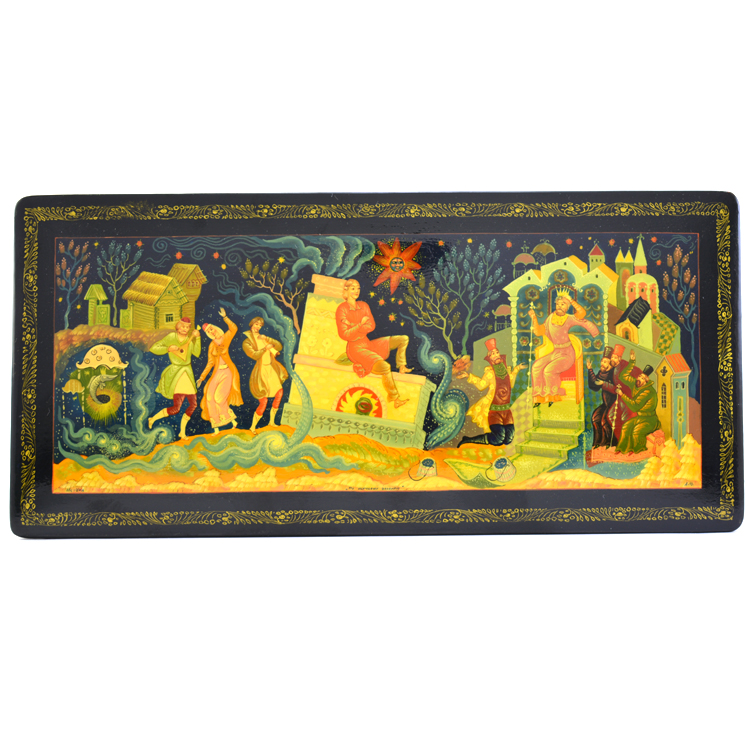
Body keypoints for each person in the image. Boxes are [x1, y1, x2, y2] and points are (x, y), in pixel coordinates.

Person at [335, 279, 411, 409]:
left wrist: (352, 325)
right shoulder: (342, 309)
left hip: (367, 343)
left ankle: (402, 366)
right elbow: (345, 334)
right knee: (385, 367)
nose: (356, 291)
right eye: (353, 288)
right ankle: (395, 398)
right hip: (355, 349)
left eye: (358, 288)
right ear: (346, 290)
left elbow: (371, 326)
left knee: (403, 339)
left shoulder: (363, 305)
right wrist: (360, 324)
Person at [529, 291, 599, 406]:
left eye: (563, 304)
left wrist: (571, 300)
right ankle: (539, 397)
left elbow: (582, 313)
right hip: (555, 352)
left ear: (567, 307)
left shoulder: (569, 318)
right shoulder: (550, 318)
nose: (560, 306)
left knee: (548, 370)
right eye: (558, 304)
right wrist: (534, 318)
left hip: (567, 354)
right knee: (536, 366)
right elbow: (539, 332)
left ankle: (552, 396)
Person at [457, 339, 527, 447]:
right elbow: (481, 385)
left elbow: (511, 384)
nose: (496, 354)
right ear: (490, 357)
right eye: (493, 353)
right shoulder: (489, 373)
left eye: (497, 352)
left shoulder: (506, 370)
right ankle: (468, 439)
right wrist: (468, 376)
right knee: (498, 439)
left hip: (506, 410)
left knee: (508, 440)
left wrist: (517, 368)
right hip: (494, 411)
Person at [148, 317, 201, 439]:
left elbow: (197, 353)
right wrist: (168, 348)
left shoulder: (189, 339)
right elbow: (153, 348)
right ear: (178, 327)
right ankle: (153, 419)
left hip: (187, 373)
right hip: (176, 374)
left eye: (187, 327)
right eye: (183, 327)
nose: (185, 329)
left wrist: (197, 338)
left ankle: (182, 432)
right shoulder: (171, 337)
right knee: (176, 408)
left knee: (193, 405)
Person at [196, 307, 243, 433]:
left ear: (215, 328)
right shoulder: (211, 345)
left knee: (219, 399)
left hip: (227, 372)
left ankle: (231, 420)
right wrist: (202, 377)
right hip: (217, 373)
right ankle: (216, 427)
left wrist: (225, 317)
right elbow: (210, 363)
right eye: (208, 331)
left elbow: (234, 328)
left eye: (211, 329)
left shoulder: (225, 337)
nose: (211, 332)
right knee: (209, 398)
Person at [242, 316, 289, 434]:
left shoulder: (263, 337)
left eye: (260, 325)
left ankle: (271, 422)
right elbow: (254, 355)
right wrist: (265, 348)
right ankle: (253, 427)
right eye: (256, 324)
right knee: (263, 401)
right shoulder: (247, 341)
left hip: (271, 369)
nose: (258, 327)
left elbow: (279, 346)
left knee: (279, 393)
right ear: (251, 324)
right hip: (261, 371)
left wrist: (267, 339)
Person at [615, 351, 660, 454]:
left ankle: (638, 451)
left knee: (636, 431)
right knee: (626, 427)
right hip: (640, 418)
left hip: (650, 420)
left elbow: (635, 406)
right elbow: (623, 376)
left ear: (646, 381)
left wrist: (622, 395)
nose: (639, 379)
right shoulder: (636, 384)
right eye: (639, 376)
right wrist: (632, 362)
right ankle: (623, 449)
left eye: (643, 378)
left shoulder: (648, 391)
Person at [586, 347, 618, 448]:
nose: (602, 364)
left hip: (615, 403)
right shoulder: (602, 372)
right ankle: (597, 443)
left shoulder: (614, 373)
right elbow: (594, 386)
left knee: (605, 420)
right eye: (602, 361)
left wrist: (604, 383)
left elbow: (616, 388)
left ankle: (610, 443)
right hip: (606, 404)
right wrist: (590, 370)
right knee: (595, 417)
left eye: (605, 362)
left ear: (610, 363)